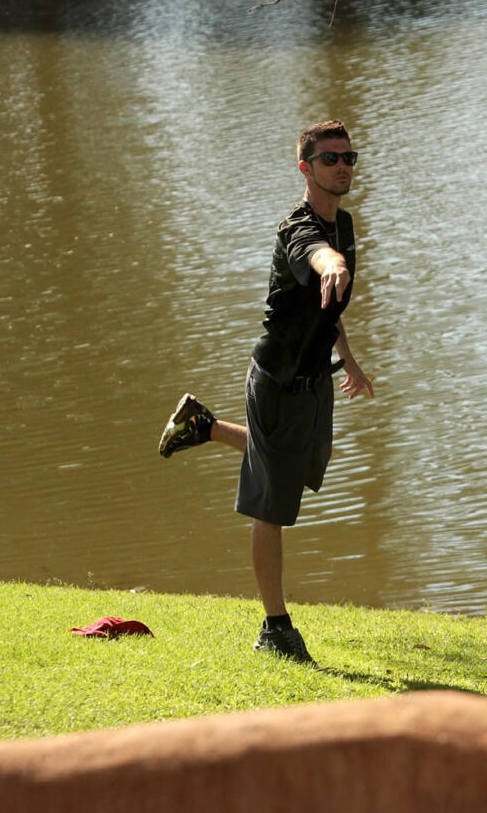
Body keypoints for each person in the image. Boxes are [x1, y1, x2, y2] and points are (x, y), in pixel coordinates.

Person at [157, 120, 374, 664]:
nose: (343, 165)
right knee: (272, 505)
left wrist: (348, 359)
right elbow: (320, 260)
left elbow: (331, 308)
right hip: (277, 383)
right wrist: (335, 264)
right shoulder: (299, 229)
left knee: (295, 468)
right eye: (330, 159)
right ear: (306, 168)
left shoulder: (343, 223)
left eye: (349, 156)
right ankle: (274, 626)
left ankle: (202, 426)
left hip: (314, 379)